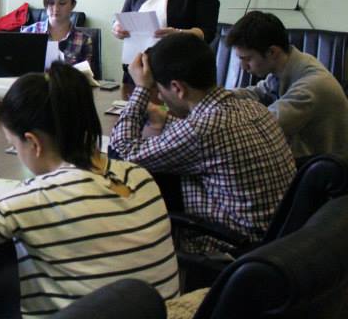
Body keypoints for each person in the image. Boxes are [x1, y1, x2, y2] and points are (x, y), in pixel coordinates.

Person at [0, 64, 179, 317]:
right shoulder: (139, 176)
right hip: (161, 313)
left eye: (14, 144)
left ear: (33, 143)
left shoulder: (37, 200)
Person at [110, 33, 295, 253]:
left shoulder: (202, 130)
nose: (160, 98)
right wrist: (165, 118)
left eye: (159, 91)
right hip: (279, 239)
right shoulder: (253, 108)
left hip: (234, 247)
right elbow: (206, 137)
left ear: (178, 88)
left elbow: (122, 152)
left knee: (133, 178)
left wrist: (141, 90)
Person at [226, 11, 348, 160]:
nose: (243, 67)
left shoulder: (311, 86)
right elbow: (257, 93)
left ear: (272, 52)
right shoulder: (285, 66)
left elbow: (264, 126)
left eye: (247, 59)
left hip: (323, 169)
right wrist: (216, 95)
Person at [21, 0, 93, 67]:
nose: (56, 9)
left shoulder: (84, 40)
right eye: (51, 3)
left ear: (73, 5)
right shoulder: (28, 33)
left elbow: (86, 74)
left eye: (62, 3)